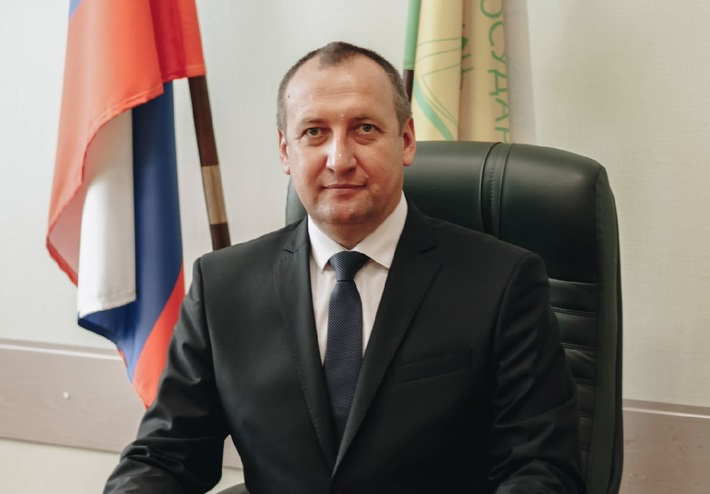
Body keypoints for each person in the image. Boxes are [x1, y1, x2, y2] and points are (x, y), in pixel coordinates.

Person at [105, 41, 585, 494]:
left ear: (407, 140)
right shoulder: (221, 286)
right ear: (285, 151)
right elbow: (165, 456)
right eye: (314, 132)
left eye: (365, 129)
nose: (339, 159)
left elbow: (540, 467)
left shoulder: (502, 282)